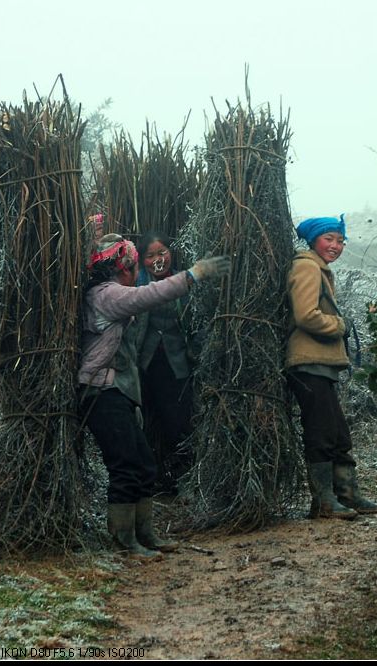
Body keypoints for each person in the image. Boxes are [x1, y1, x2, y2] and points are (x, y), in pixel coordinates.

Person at [78, 233, 230, 559]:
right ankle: (124, 541)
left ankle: (145, 534)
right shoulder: (106, 295)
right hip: (101, 392)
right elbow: (150, 295)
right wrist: (193, 274)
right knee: (126, 465)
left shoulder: (111, 293)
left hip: (116, 391)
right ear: (126, 267)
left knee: (144, 464)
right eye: (136, 264)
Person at [285, 214, 377, 520]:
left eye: (340, 240)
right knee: (321, 432)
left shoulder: (319, 268)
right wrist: (339, 324)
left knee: (338, 432)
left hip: (321, 363)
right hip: (308, 361)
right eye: (329, 239)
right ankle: (324, 502)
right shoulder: (307, 267)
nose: (336, 246)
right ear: (314, 240)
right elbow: (306, 315)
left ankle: (348, 494)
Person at [136, 231, 195, 494]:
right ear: (141, 260)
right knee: (146, 423)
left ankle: (183, 479)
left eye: (162, 253)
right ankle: (151, 480)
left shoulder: (185, 282)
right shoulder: (136, 283)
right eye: (151, 256)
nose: (158, 260)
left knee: (178, 422)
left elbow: (196, 323)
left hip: (176, 365)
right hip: (144, 365)